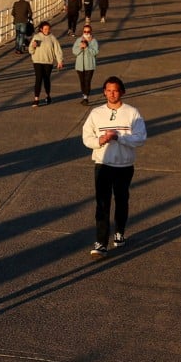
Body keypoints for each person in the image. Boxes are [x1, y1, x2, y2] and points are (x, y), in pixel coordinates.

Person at [81, 76, 147, 258]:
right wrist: (98, 141)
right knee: (102, 203)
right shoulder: (96, 113)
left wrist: (119, 137)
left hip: (124, 165)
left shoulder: (132, 113)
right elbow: (86, 137)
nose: (112, 94)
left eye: (115, 90)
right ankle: (101, 242)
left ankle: (119, 233)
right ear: (104, 92)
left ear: (122, 92)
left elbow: (140, 138)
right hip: (103, 164)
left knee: (121, 200)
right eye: (108, 90)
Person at [28, 21, 63, 107]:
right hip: (37, 61)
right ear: (41, 29)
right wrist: (33, 46)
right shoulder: (37, 37)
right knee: (38, 79)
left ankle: (48, 96)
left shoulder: (52, 38)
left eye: (48, 29)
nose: (47, 30)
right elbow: (30, 51)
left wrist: (59, 61)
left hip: (48, 62)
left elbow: (57, 50)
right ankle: (36, 99)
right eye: (45, 29)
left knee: (46, 79)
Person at [72, 24, 100, 105]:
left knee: (87, 81)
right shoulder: (78, 40)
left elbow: (95, 52)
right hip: (79, 66)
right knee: (82, 81)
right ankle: (84, 95)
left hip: (90, 65)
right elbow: (74, 51)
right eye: (85, 31)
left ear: (91, 32)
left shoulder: (94, 41)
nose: (86, 33)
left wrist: (87, 47)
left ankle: (86, 97)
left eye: (88, 31)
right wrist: (81, 47)